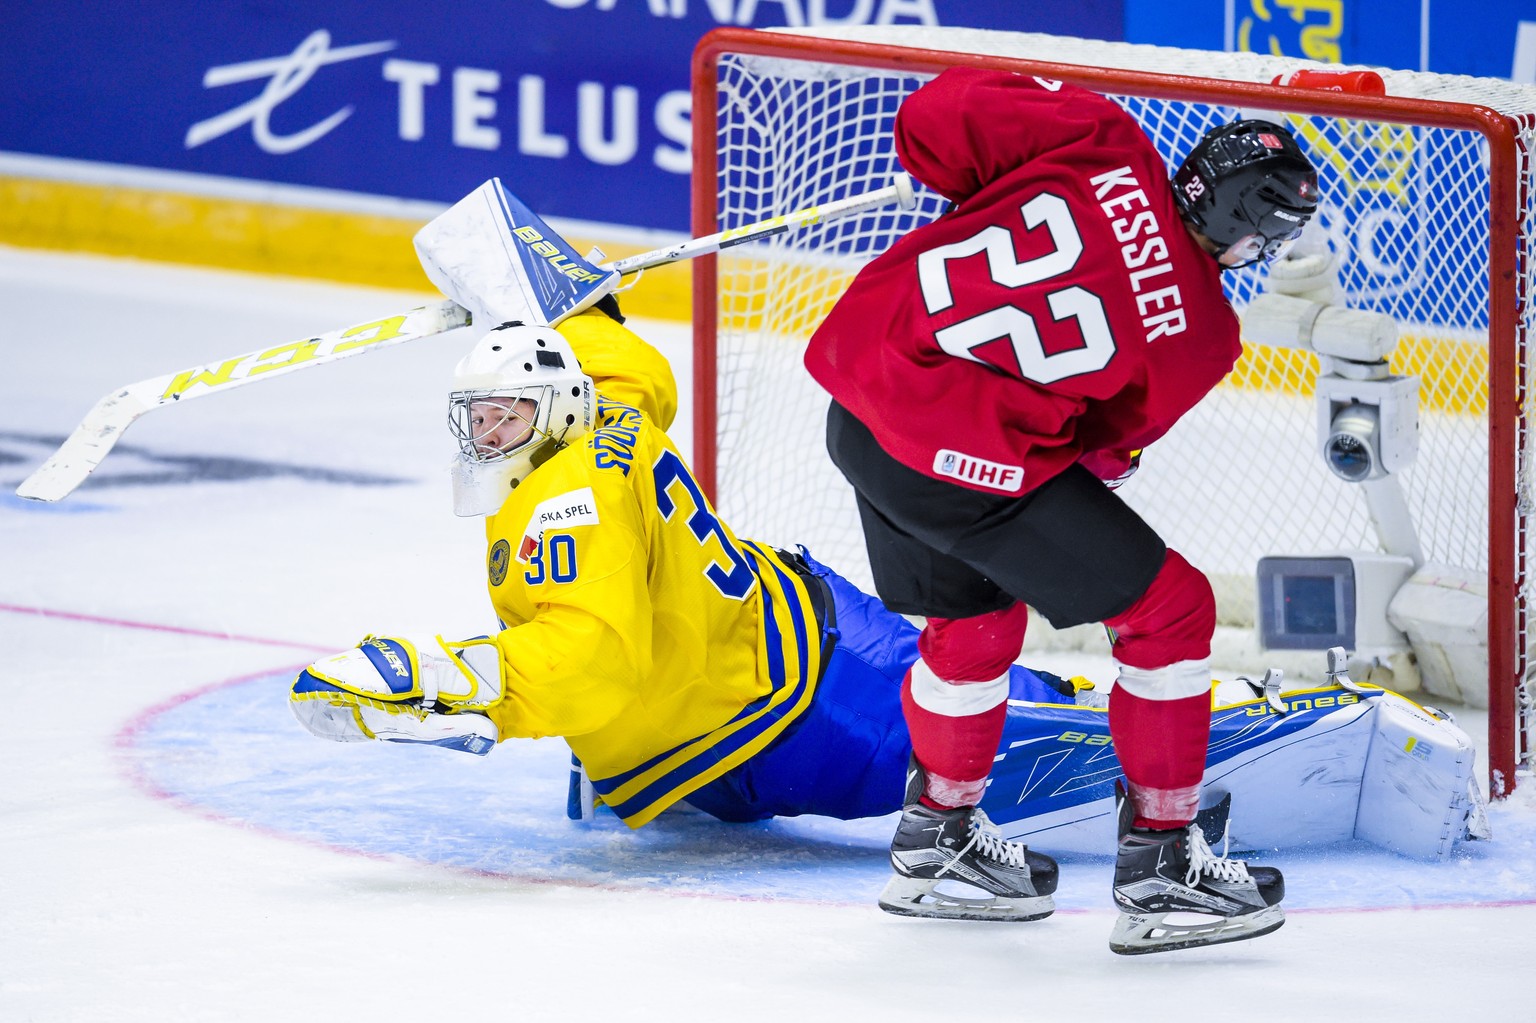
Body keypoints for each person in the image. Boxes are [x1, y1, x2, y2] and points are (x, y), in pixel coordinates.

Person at [287, 294, 1485, 939]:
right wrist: (570, 306)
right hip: (782, 665)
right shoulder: (605, 413)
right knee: (999, 713)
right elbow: (631, 375)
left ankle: (1305, 748)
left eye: (502, 416)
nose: (483, 437)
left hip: (785, 700)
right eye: (475, 419)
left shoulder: (565, 511)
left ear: (545, 404)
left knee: (1011, 724)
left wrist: (451, 675)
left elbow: (587, 670)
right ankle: (1285, 745)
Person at [802, 67, 1322, 952]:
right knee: (1172, 611)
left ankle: (938, 840)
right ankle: (1164, 864)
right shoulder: (1202, 335)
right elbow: (1102, 453)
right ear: (1244, 227)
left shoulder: (1097, 135)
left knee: (974, 615)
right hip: (956, 462)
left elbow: (928, 121)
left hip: (859, 401)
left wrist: (979, 178)